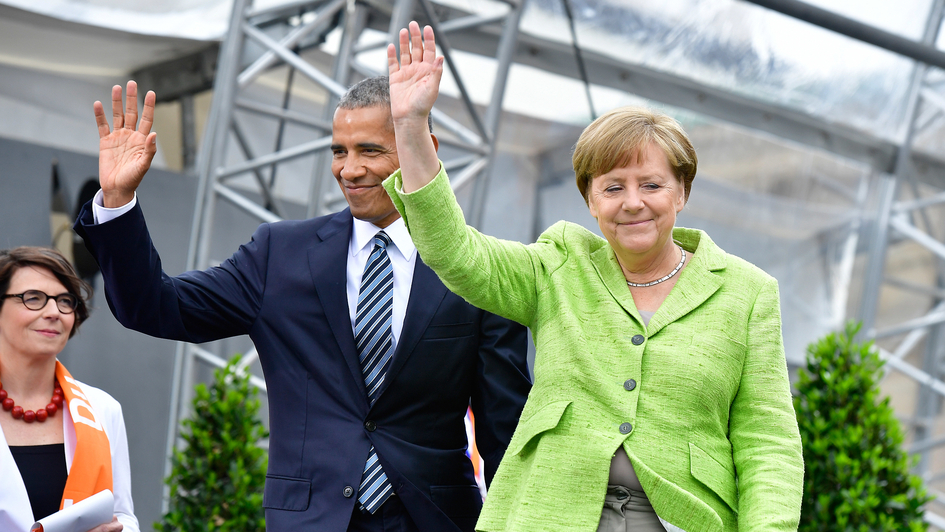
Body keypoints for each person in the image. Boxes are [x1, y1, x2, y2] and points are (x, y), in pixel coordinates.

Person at [382, 22, 804, 532]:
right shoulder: (561, 263)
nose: (633, 202)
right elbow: (457, 255)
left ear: (681, 192)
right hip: (549, 511)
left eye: (651, 184)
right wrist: (409, 125)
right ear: (590, 200)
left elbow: (768, 443)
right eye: (612, 187)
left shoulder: (747, 291)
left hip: (681, 519)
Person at [73, 77, 531, 532]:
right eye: (338, 151)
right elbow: (153, 306)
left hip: (438, 520)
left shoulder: (480, 268)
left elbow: (505, 431)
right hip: (311, 519)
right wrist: (117, 201)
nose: (349, 170)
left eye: (369, 150)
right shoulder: (280, 253)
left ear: (422, 145)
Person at [0, 247, 138, 532]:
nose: (54, 312)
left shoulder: (102, 409)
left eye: (65, 301)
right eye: (33, 298)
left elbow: (123, 515)